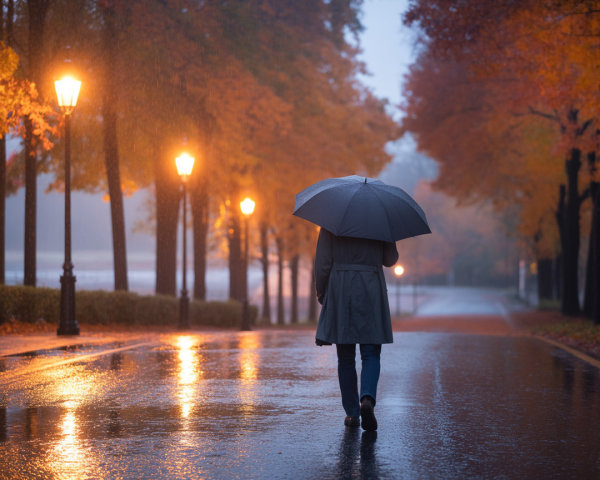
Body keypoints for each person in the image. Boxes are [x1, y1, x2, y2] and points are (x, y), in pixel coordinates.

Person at [314, 227, 399, 431]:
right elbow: (390, 259)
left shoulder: (332, 221)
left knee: (345, 356)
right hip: (371, 287)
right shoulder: (380, 221)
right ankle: (367, 398)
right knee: (371, 353)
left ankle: (352, 413)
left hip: (341, 288)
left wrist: (322, 292)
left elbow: (323, 262)